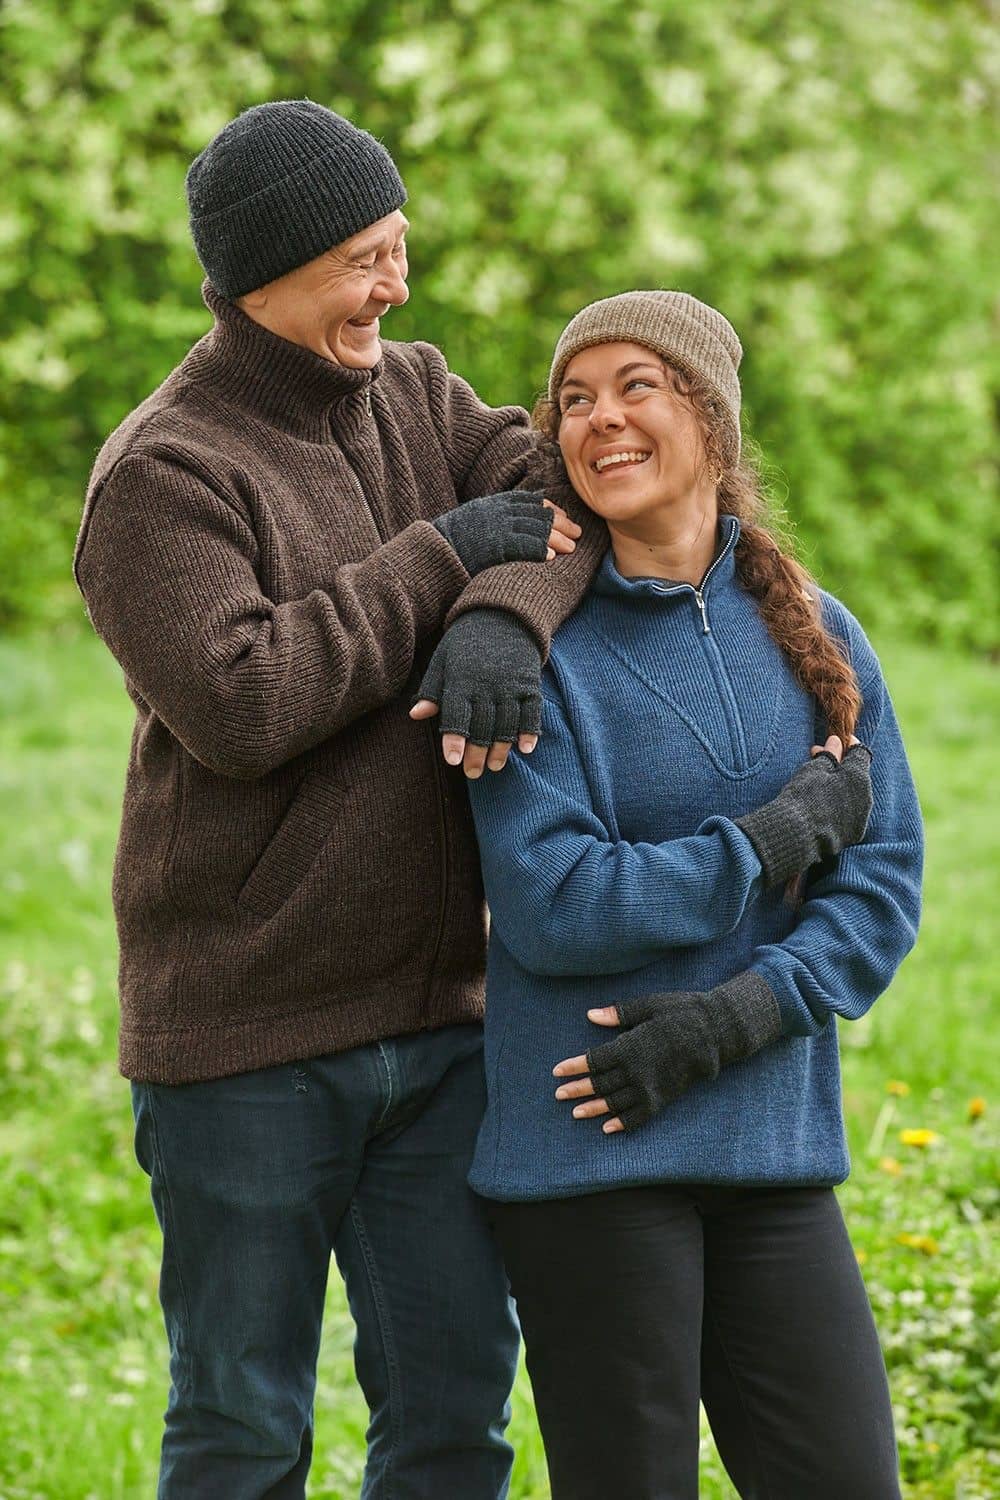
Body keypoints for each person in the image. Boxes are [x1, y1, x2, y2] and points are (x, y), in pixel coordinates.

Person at [72, 99, 610, 1499]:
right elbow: (245, 702)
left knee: (452, 1416)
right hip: (246, 1039)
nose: (398, 285)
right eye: (369, 256)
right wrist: (440, 562)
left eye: (400, 249)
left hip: (438, 1025)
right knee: (244, 1429)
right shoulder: (162, 474)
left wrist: (501, 620)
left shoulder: (418, 389)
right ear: (273, 266)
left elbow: (553, 500)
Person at [462, 291, 924, 1499]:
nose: (597, 419)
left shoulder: (817, 633)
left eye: (635, 387)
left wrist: (742, 1016)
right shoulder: (525, 647)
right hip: (589, 1156)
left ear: (710, 425)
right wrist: (769, 841)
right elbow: (556, 902)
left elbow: (879, 886)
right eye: (573, 397)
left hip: (769, 1142)